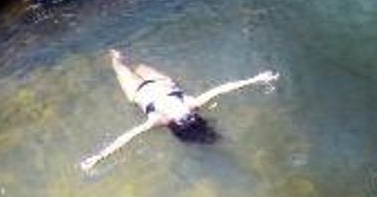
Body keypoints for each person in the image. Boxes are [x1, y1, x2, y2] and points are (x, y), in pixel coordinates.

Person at [80, 50, 278, 172]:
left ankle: (108, 53)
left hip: (136, 91)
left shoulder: (159, 119)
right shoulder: (191, 104)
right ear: (194, 117)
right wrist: (256, 79)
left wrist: (100, 157)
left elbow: (127, 138)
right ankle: (120, 53)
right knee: (136, 64)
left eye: (183, 118)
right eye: (190, 117)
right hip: (162, 81)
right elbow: (221, 90)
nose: (185, 114)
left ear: (176, 125)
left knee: (119, 64)